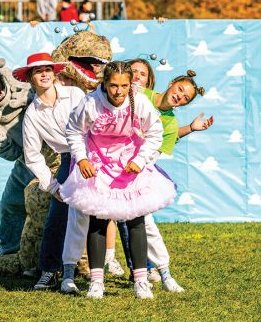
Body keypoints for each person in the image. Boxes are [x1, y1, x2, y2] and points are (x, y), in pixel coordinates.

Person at [60, 61, 177, 299]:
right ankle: (96, 281)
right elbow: (74, 130)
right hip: (98, 163)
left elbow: (155, 133)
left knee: (136, 219)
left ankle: (141, 281)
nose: (118, 91)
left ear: (130, 85)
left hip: (129, 163)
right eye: (113, 85)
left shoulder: (140, 102)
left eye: (124, 86)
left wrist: (141, 159)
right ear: (105, 83)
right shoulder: (91, 103)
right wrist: (81, 159)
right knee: (98, 219)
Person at [118, 60, 213, 292]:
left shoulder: (170, 124)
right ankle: (79, 273)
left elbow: (153, 155)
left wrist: (136, 166)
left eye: (186, 98)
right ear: (171, 84)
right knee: (91, 219)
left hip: (137, 172)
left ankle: (163, 273)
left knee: (144, 222)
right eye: (180, 89)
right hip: (110, 165)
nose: (180, 96)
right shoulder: (140, 94)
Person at [12, 53, 86, 290]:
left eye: (47, 69)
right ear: (30, 78)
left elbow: (93, 123)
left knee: (120, 213)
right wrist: (53, 186)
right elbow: (32, 156)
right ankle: (50, 271)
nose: (43, 74)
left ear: (55, 73)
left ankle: (141, 270)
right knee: (56, 217)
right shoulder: (32, 114)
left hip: (94, 154)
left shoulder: (75, 94)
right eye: (37, 71)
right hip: (68, 160)